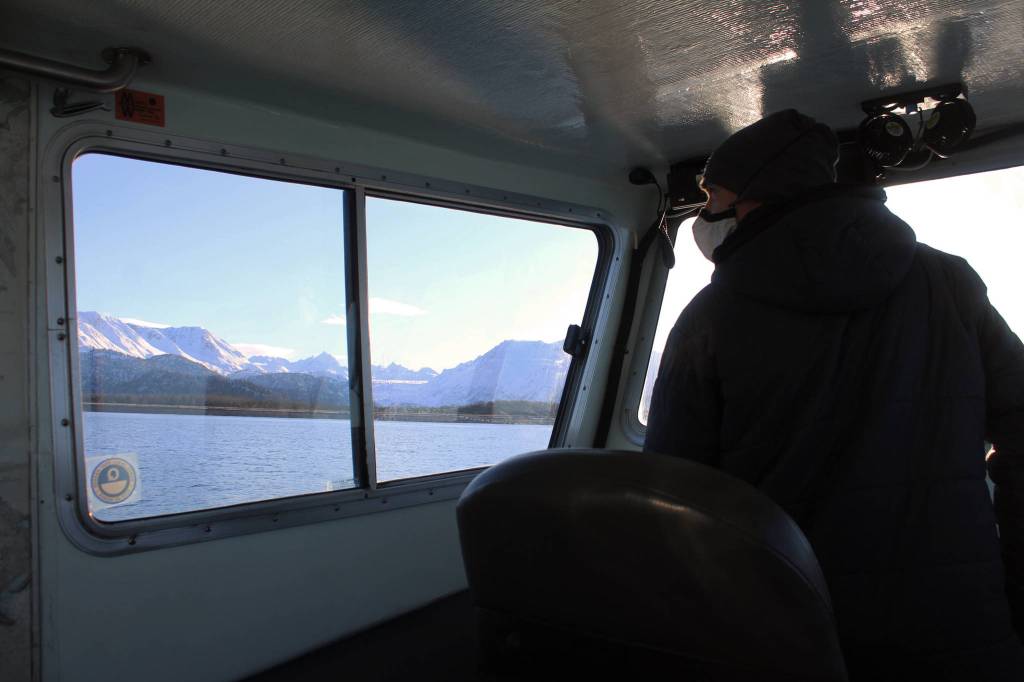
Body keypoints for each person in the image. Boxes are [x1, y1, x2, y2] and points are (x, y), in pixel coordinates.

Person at [644, 109, 1024, 681]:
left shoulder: (709, 319)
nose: (708, 214)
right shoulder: (951, 282)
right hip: (960, 621)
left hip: (792, 628)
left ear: (756, 196)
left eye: (715, 196)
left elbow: (676, 495)